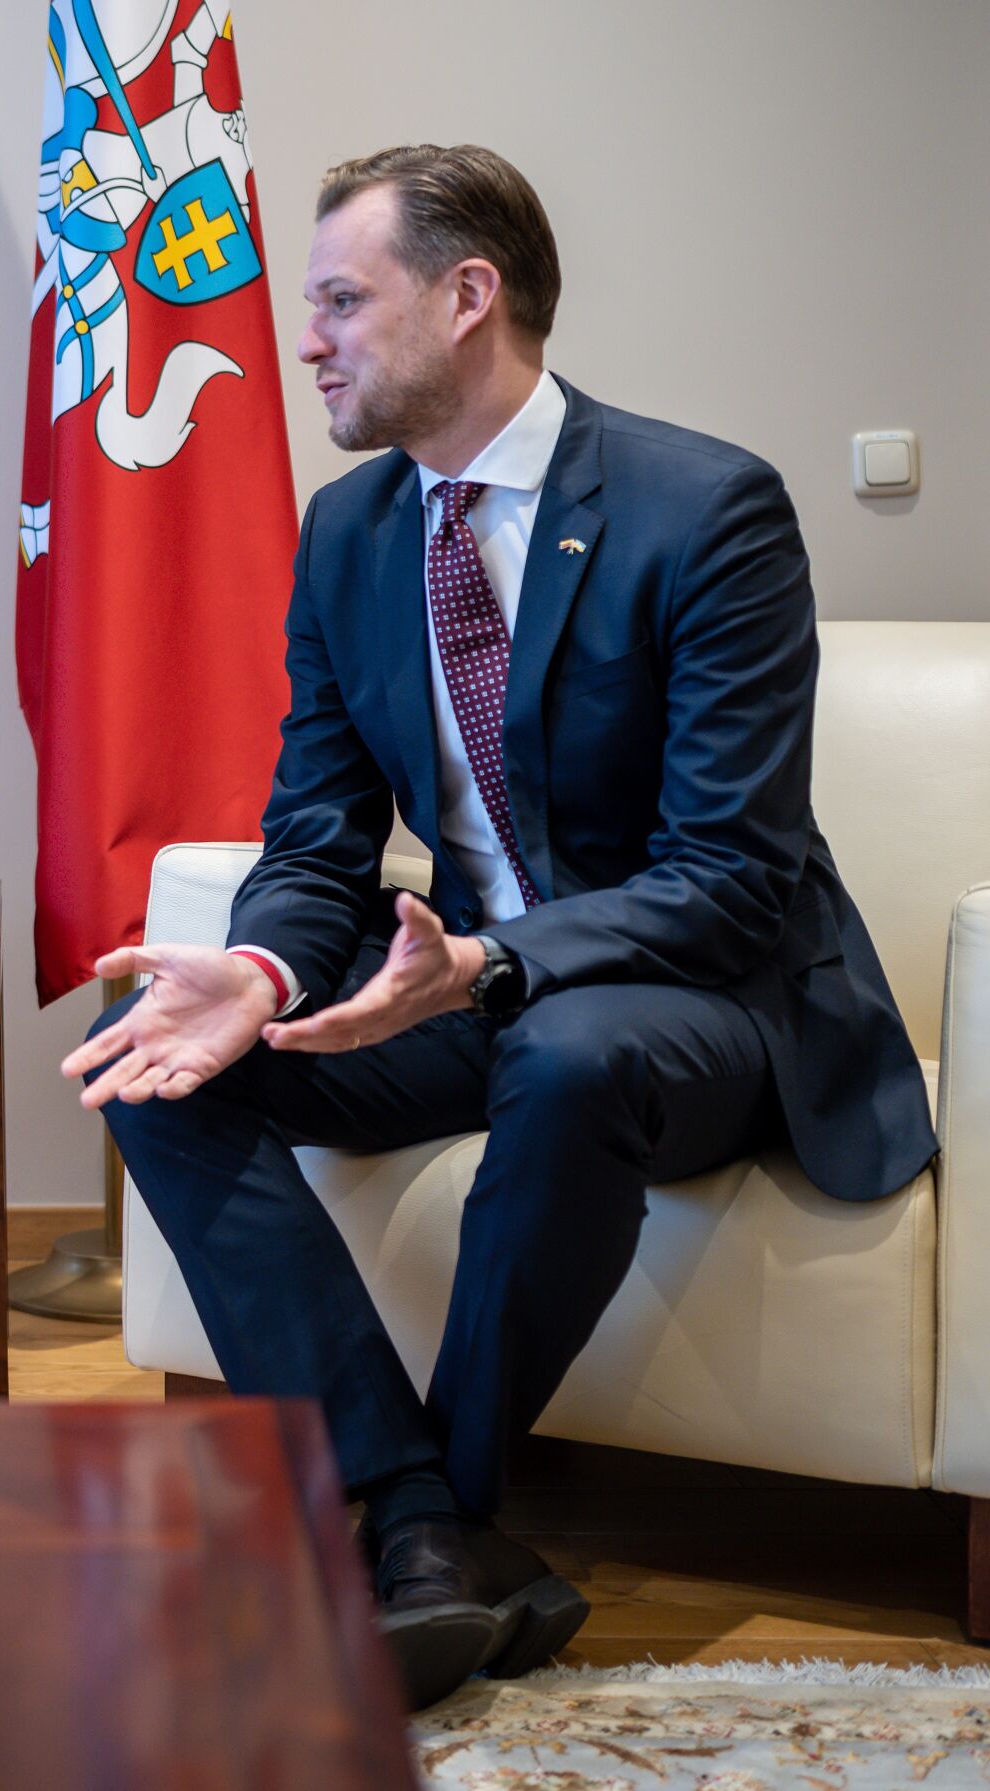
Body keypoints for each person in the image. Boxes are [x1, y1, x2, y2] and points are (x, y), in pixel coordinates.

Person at [61, 146, 933, 1707]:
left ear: (469, 299)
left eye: (338, 298)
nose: (304, 336)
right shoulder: (349, 536)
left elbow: (733, 872)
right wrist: (259, 972)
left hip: (704, 1001)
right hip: (466, 992)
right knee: (146, 1057)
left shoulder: (703, 506)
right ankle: (411, 1517)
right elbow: (316, 834)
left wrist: (489, 961)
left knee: (573, 1045)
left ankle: (436, 1516)